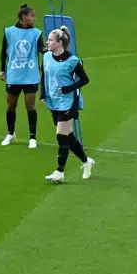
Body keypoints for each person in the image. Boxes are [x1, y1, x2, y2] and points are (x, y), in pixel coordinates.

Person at [41, 26, 93, 184]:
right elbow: (44, 75)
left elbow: (85, 79)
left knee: (61, 135)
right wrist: (43, 93)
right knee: (68, 136)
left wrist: (68, 88)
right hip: (53, 101)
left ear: (59, 43)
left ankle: (60, 171)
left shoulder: (72, 61)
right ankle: (86, 161)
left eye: (50, 40)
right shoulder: (47, 56)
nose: (48, 42)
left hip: (68, 102)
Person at [1, 3, 43, 149]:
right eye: (32, 16)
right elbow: (3, 51)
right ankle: (10, 133)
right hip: (14, 74)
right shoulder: (9, 32)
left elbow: (41, 48)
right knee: (11, 105)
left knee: (30, 106)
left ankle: (32, 137)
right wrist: (2, 70)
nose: (34, 18)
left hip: (30, 74)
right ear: (24, 17)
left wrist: (50, 48)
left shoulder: (36, 33)